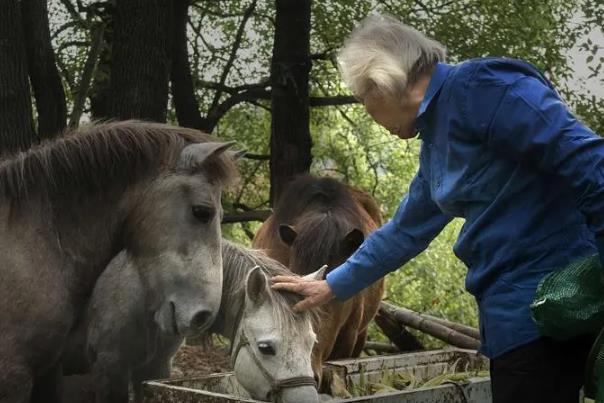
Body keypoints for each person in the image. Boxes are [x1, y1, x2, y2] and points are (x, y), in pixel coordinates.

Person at [270, 13, 604, 403]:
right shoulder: (436, 142)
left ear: (384, 82)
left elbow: (592, 166)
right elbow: (404, 232)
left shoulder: (487, 90)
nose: (368, 112)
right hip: (516, 317)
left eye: (364, 98)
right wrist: (332, 284)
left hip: (563, 299)